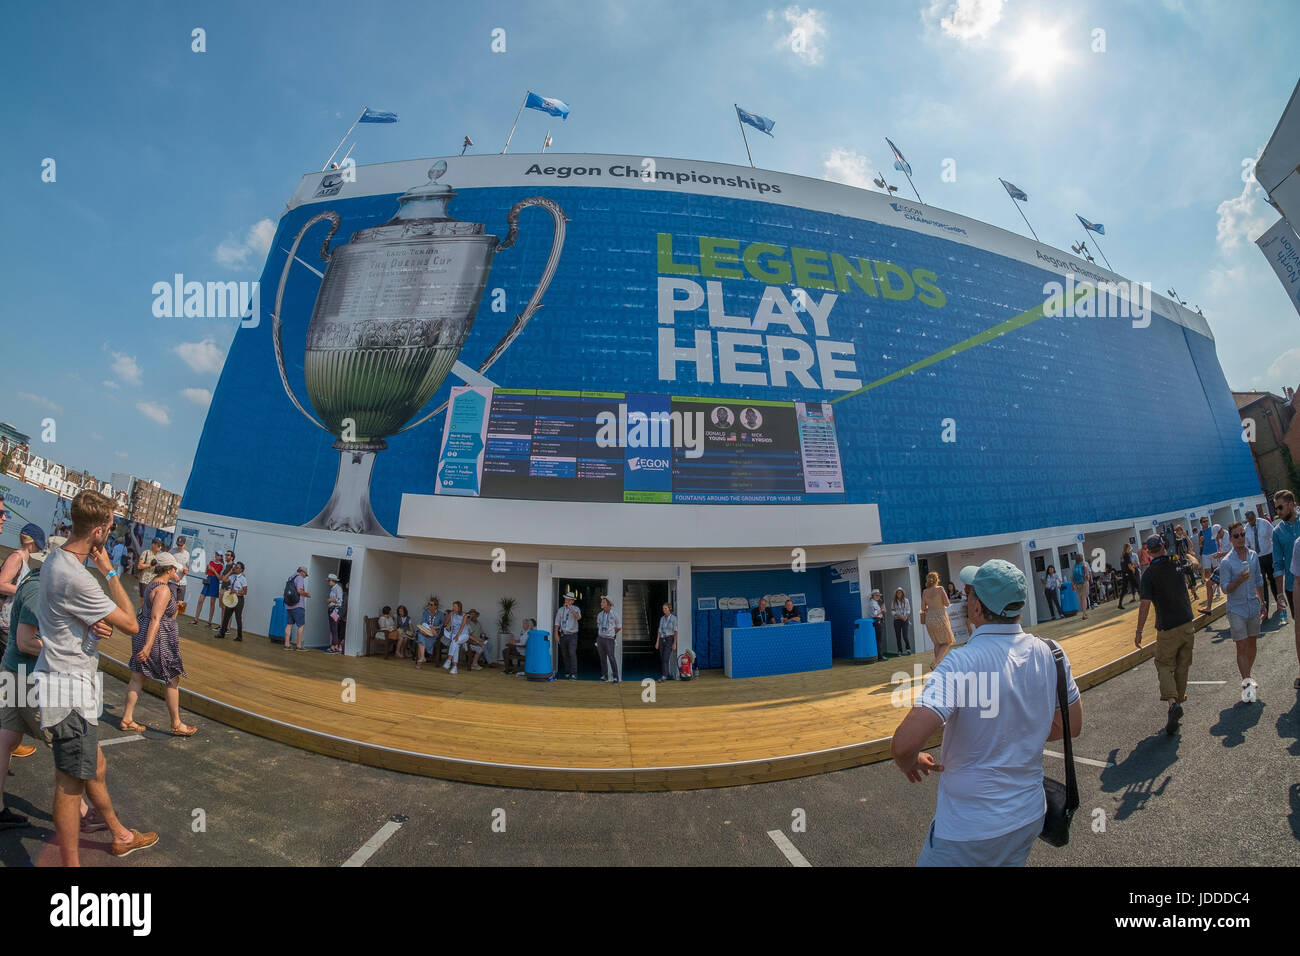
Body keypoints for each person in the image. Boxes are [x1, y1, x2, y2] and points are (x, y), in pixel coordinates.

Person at [891, 558, 1082, 867]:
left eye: (970, 594)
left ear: (977, 608)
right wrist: (1019, 725)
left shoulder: (959, 663)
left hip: (968, 830)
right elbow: (1072, 725)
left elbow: (903, 744)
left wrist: (909, 761)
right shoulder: (1052, 652)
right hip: (1029, 814)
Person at [35, 490, 157, 863]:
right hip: (69, 690)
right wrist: (109, 573)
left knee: (95, 768)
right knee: (69, 786)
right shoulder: (81, 578)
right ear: (99, 531)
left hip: (61, 684)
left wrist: (90, 626)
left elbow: (65, 618)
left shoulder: (57, 557)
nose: (110, 532)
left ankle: (119, 832)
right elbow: (132, 622)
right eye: (109, 527)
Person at [120, 552, 196, 736]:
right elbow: (156, 618)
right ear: (169, 570)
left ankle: (127, 718)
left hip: (142, 630)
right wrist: (148, 646)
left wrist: (173, 607)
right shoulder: (163, 590)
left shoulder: (152, 583)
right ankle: (176, 723)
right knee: (172, 677)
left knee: (137, 676)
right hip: (157, 638)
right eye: (174, 569)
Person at [1134, 534, 1196, 736]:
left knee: (1163, 664)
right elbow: (1195, 565)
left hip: (1167, 628)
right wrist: (1185, 551)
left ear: (1148, 551)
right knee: (1182, 666)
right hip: (1187, 622)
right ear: (1164, 546)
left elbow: (1144, 605)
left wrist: (1139, 631)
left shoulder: (1149, 575)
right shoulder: (1177, 563)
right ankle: (1177, 703)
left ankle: (1172, 704)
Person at [1219, 521, 1264, 701]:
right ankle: (1246, 684)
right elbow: (1224, 588)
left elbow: (1259, 580)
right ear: (1230, 538)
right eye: (1236, 536)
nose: (1240, 539)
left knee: (1252, 644)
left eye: (1243, 534)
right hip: (1236, 608)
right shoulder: (1226, 562)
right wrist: (1238, 581)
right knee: (1242, 645)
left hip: (1253, 604)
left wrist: (1263, 601)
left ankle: (1248, 674)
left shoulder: (1253, 556)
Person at [1, 523, 46, 642]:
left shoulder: (25, 560)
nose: (39, 548)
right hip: (4, 622)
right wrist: (26, 591)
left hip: (11, 622)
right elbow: (1, 584)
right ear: (30, 542)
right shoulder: (17, 557)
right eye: (37, 543)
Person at [1273, 491, 1299, 630]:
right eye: (1276, 508)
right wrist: (1279, 593)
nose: (1278, 511)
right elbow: (1278, 563)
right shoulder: (1277, 532)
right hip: (1292, 586)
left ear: (1290, 504)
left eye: (1280, 507)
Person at [1243, 510, 1276, 619]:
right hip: (1257, 558)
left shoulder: (1264, 523)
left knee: (1273, 579)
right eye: (1249, 520)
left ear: (1255, 517)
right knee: (1261, 584)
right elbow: (1247, 546)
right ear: (1247, 520)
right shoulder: (1246, 529)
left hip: (1269, 554)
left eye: (1252, 520)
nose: (1251, 522)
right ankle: (1265, 609)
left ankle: (1278, 602)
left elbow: (1273, 536)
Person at [920, 571, 953, 663]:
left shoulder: (925, 591)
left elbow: (923, 608)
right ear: (937, 580)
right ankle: (936, 662)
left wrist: (930, 606)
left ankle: (937, 666)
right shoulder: (940, 589)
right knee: (948, 641)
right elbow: (947, 603)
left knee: (937, 644)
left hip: (929, 619)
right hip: (940, 617)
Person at [215, 561, 247, 641]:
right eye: (235, 566)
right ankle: (222, 633)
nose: (235, 568)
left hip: (239, 599)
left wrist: (236, 591)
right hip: (231, 598)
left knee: (238, 618)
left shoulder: (243, 579)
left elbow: (245, 592)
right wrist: (230, 571)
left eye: (237, 567)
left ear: (241, 570)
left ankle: (239, 637)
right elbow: (224, 579)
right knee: (226, 616)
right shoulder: (232, 576)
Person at [553, 592, 581, 680]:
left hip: (573, 635)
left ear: (572, 601)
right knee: (565, 654)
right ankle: (568, 671)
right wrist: (556, 634)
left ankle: (574, 673)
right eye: (565, 599)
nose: (566, 601)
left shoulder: (576, 609)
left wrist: (570, 608)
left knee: (572, 653)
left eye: (568, 600)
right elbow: (557, 623)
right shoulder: (560, 610)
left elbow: (578, 617)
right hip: (563, 635)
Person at [193, 552, 224, 627]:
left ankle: (209, 622)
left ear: (221, 557)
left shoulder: (221, 566)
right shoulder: (211, 562)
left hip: (215, 583)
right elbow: (206, 573)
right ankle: (195, 619)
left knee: (212, 603)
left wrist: (213, 570)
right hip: (208, 581)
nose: (216, 556)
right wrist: (207, 568)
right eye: (216, 554)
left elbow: (219, 577)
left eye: (218, 555)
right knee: (200, 600)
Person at [596, 595, 621, 683]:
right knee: (602, 658)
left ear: (608, 604)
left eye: (603, 602)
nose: (601, 603)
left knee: (611, 657)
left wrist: (612, 633)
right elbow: (598, 626)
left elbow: (618, 627)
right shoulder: (600, 614)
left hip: (609, 639)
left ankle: (615, 677)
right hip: (600, 638)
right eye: (601, 602)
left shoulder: (615, 614)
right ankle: (605, 676)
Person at [283, 566, 309, 651]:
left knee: (289, 624)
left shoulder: (291, 577)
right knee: (301, 625)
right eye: (305, 574)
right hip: (298, 605)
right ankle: (299, 645)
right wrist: (306, 594)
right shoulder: (299, 578)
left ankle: (287, 644)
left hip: (289, 605)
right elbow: (299, 591)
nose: (305, 577)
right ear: (302, 572)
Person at [1197, 517, 1221, 609]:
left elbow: (1217, 538)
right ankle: (1213, 585)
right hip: (1205, 553)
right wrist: (1200, 541)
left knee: (1216, 570)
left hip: (1214, 552)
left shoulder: (1212, 529)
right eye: (1204, 522)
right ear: (1201, 523)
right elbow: (1200, 545)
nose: (1206, 523)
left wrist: (1219, 548)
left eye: (1206, 521)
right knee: (1207, 571)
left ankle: (1217, 589)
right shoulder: (1201, 533)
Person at [441, 600, 469, 674]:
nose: (453, 607)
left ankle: (449, 660)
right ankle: (454, 667)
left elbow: (462, 626)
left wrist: (457, 635)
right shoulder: (451, 614)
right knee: (455, 646)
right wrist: (447, 624)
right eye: (453, 606)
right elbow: (445, 623)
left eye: (455, 606)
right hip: (454, 634)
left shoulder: (464, 615)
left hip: (464, 634)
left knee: (455, 641)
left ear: (459, 607)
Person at [416, 597, 444, 669]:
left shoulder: (440, 614)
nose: (429, 606)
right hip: (425, 631)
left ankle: (420, 662)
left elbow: (442, 624)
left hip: (434, 633)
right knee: (420, 635)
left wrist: (435, 628)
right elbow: (423, 622)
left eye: (431, 605)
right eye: (429, 604)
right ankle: (422, 657)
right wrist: (425, 630)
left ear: (435, 606)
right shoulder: (425, 612)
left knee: (420, 640)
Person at [656, 602, 677, 682]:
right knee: (662, 657)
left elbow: (675, 631)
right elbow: (659, 630)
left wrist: (674, 643)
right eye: (663, 608)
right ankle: (665, 674)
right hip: (662, 639)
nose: (664, 610)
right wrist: (657, 642)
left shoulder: (674, 619)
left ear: (669, 609)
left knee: (665, 657)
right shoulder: (662, 618)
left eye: (665, 608)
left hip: (669, 639)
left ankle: (664, 676)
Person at [891, 587, 913, 656]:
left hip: (905, 620)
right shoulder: (894, 601)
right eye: (897, 592)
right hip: (897, 620)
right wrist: (900, 616)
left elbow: (908, 609)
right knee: (898, 636)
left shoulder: (906, 600)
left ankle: (908, 649)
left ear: (902, 593)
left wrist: (905, 617)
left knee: (905, 636)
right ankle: (899, 651)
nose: (899, 594)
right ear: (896, 594)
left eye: (900, 592)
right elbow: (892, 611)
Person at [326, 573, 345, 653]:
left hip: (335, 610)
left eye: (329, 580)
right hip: (331, 609)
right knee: (332, 628)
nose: (328, 582)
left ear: (332, 581)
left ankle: (335, 646)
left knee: (334, 628)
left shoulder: (338, 588)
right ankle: (334, 645)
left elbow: (340, 600)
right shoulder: (333, 588)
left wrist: (330, 600)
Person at [1071, 556, 1091, 621]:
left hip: (1077, 584)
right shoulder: (1084, 564)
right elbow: (1087, 572)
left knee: (1081, 598)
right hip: (1084, 582)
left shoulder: (1074, 566)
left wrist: (1073, 585)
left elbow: (1071, 577)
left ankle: (1084, 612)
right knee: (1084, 598)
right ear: (1082, 558)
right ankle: (1084, 614)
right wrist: (1088, 577)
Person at [867, 590, 885, 657]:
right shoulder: (873, 603)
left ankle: (879, 655)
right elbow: (875, 614)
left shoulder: (876, 603)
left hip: (878, 620)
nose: (878, 596)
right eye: (876, 595)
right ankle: (880, 656)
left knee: (879, 639)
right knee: (879, 639)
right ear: (873, 596)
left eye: (878, 595)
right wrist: (882, 610)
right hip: (877, 621)